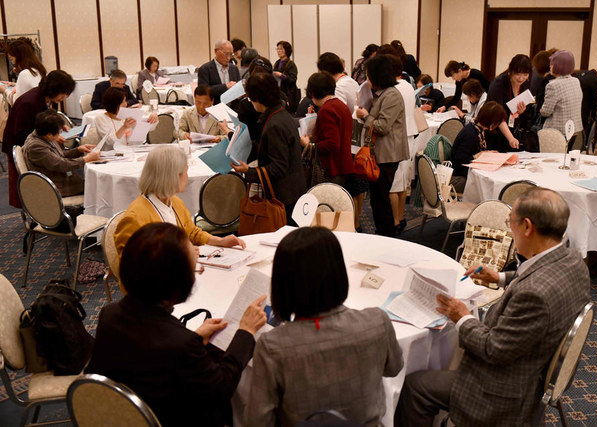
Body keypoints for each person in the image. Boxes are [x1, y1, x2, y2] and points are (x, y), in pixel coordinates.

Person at [395, 187, 591, 427]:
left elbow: (492, 349)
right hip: (532, 362)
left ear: (527, 227)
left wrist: (462, 317)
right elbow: (540, 274)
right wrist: (499, 278)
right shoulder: (573, 261)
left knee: (416, 386)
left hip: (502, 392)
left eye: (511, 223)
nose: (510, 229)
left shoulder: (534, 296)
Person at [88, 222, 266, 427]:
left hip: (116, 415)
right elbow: (221, 387)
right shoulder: (179, 343)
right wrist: (245, 331)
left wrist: (196, 337)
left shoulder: (109, 314)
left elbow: (149, 355)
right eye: (193, 270)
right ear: (176, 283)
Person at [246, 227, 404, 426]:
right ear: (338, 272)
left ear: (282, 284)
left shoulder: (272, 347)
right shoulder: (377, 322)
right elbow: (394, 367)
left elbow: (257, 421)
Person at [114, 145, 245, 255]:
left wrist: (219, 241)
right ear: (171, 177)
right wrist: (181, 255)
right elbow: (132, 272)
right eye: (185, 172)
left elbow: (192, 232)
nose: (187, 177)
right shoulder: (135, 219)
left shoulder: (175, 202)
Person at [231, 72, 306, 218]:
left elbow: (278, 168)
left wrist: (248, 171)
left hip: (284, 197)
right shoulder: (280, 113)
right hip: (294, 189)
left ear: (257, 98)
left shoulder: (274, 124)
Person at [2, 70, 76, 208]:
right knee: (27, 185)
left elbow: (49, 117)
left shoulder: (51, 98)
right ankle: (37, 213)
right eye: (63, 93)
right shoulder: (29, 102)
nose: (65, 97)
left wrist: (60, 125)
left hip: (40, 143)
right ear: (53, 89)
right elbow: (22, 133)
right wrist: (51, 137)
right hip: (20, 144)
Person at [355, 54, 409, 237]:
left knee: (380, 199)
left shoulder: (391, 95)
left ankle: (386, 235)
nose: (367, 80)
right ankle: (384, 232)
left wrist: (365, 116)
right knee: (378, 199)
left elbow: (383, 126)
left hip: (387, 155)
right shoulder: (381, 94)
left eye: (369, 76)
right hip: (381, 153)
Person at [23, 109, 99, 197]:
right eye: (60, 132)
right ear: (49, 134)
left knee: (96, 183)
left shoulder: (42, 135)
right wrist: (86, 159)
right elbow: (61, 165)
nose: (61, 134)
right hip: (56, 186)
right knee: (98, 187)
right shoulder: (36, 147)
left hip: (60, 177)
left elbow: (59, 155)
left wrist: (79, 150)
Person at [300, 72, 354, 186]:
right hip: (343, 164)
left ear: (312, 92)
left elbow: (332, 143)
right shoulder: (340, 105)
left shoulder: (327, 110)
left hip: (332, 168)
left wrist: (309, 146)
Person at [388, 54, 418, 234]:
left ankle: (395, 220)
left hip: (396, 138)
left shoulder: (393, 89)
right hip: (409, 135)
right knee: (402, 180)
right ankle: (400, 217)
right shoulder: (408, 85)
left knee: (393, 183)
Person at [450, 101, 507, 193]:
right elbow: (459, 160)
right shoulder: (471, 134)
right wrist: (479, 155)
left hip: (467, 172)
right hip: (460, 175)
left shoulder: (478, 129)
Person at [487, 54, 533, 151]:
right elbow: (497, 116)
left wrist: (520, 112)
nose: (521, 78)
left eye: (525, 75)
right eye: (518, 74)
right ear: (510, 71)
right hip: (494, 129)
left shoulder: (525, 84)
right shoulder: (498, 85)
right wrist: (510, 138)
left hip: (512, 129)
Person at [540, 50, 583, 148]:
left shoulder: (553, 85)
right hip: (574, 129)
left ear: (558, 66)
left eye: (551, 64)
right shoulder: (576, 81)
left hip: (558, 131)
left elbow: (546, 112)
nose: (550, 67)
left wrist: (540, 109)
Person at [94, 87, 158, 150]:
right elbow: (110, 141)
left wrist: (153, 118)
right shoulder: (100, 118)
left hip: (129, 153)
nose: (125, 104)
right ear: (113, 104)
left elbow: (149, 127)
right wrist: (124, 127)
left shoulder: (125, 115)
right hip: (110, 155)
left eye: (125, 101)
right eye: (122, 102)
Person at [2, 39, 46, 104]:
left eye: (12, 59)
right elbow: (30, 87)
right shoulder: (38, 69)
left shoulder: (25, 73)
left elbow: (16, 101)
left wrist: (4, 90)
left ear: (19, 57)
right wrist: (13, 84)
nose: (13, 63)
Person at [198, 39, 240, 104]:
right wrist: (225, 86)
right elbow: (203, 92)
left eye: (231, 54)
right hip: (215, 108)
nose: (228, 58)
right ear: (216, 51)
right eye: (226, 54)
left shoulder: (234, 69)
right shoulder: (205, 69)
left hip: (234, 108)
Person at [273, 41, 300, 114]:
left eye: (281, 49)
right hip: (279, 92)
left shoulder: (291, 64)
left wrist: (281, 75)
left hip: (288, 93)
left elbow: (293, 79)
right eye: (277, 49)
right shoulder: (277, 63)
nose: (279, 51)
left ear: (287, 50)